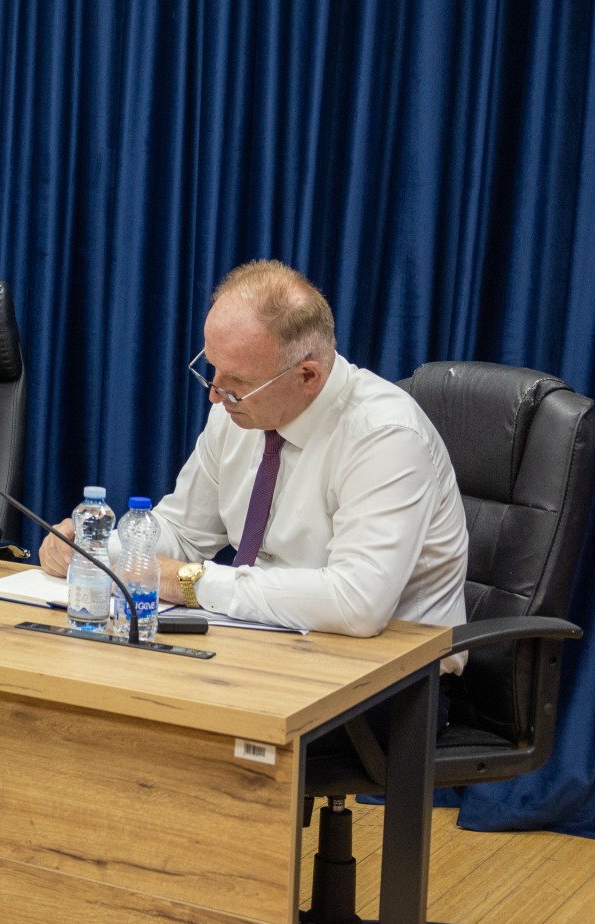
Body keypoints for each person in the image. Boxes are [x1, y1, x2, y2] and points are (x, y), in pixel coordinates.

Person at [38, 260, 468, 644]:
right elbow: (184, 534)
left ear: (308, 376)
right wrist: (96, 552)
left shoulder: (385, 435)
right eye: (212, 368)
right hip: (268, 642)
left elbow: (356, 603)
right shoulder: (235, 413)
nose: (215, 395)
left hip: (395, 677)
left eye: (237, 382)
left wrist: (189, 582)